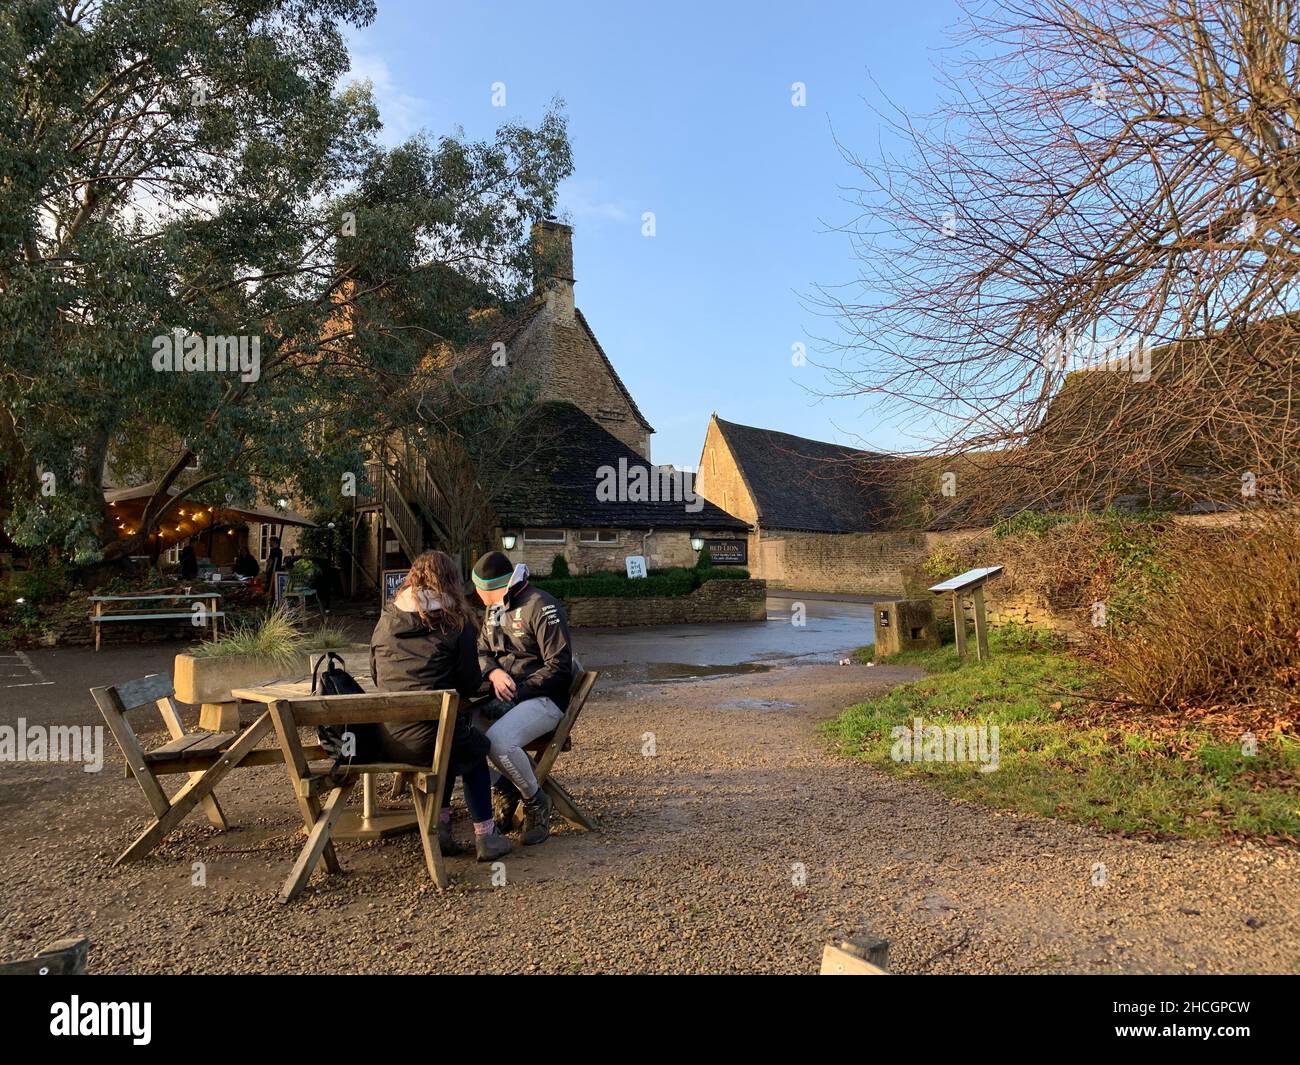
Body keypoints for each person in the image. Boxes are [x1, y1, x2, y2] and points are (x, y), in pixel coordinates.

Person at [369, 550, 511, 861]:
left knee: (449, 741)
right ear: (451, 582)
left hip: (389, 740)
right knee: (473, 748)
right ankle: (486, 836)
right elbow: (470, 683)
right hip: (433, 737)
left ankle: (442, 828)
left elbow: (376, 674)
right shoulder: (456, 623)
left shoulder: (387, 618)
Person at [472, 551, 576, 846]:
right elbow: (482, 651)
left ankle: (535, 800)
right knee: (459, 735)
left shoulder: (541, 606)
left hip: (545, 700)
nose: (475, 594)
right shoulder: (493, 609)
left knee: (499, 742)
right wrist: (494, 673)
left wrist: (517, 692)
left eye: (476, 588)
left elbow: (559, 668)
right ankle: (505, 785)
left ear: (489, 587)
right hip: (504, 696)